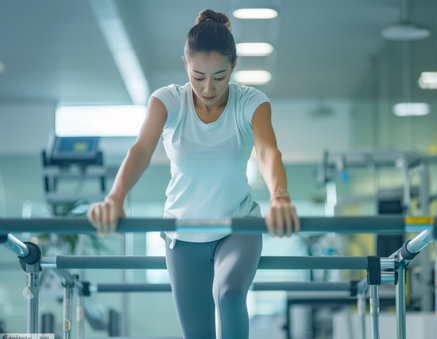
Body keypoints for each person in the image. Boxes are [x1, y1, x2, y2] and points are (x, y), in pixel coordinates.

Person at [88, 9, 300, 339]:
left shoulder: (251, 102)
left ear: (234, 65)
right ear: (185, 64)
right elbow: (140, 151)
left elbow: (268, 152)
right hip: (182, 234)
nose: (208, 88)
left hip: (238, 226)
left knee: (229, 294)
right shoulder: (167, 100)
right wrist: (115, 198)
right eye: (198, 76)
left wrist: (280, 197)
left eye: (219, 76)